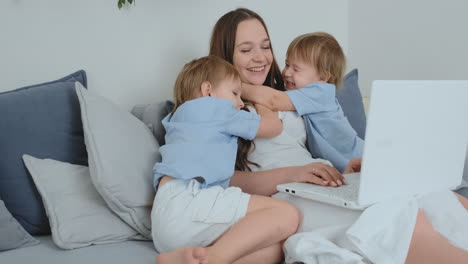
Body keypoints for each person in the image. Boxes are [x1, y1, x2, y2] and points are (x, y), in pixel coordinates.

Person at [209, 7, 468, 264]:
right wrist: (224, 83)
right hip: (287, 194)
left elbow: (303, 129)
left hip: (327, 182)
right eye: (246, 50)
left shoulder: (291, 94)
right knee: (396, 220)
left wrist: (345, 169)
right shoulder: (214, 107)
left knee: (434, 199)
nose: (261, 58)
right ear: (225, 56)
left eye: (265, 47)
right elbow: (224, 181)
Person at [152, 55, 301, 264]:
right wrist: (265, 103)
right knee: (287, 215)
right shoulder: (215, 108)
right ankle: (215, 259)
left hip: (165, 219)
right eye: (235, 93)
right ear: (207, 91)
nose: (240, 103)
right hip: (191, 201)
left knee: (277, 249)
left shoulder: (177, 119)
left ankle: (187, 259)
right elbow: (273, 127)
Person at [241, 32, 363, 172]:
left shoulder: (322, 92)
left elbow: (273, 100)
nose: (287, 73)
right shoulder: (302, 98)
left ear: (323, 77)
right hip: (346, 166)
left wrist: (235, 85)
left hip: (361, 156)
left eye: (296, 69)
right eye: (287, 65)